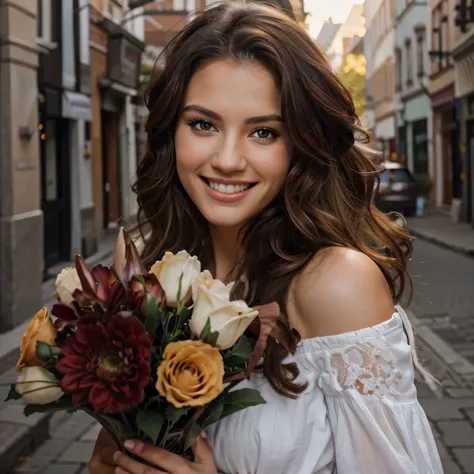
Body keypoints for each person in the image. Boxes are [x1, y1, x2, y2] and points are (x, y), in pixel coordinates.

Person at [89, 2, 443, 473]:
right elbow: (110, 452)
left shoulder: (336, 284)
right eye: (203, 124)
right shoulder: (144, 264)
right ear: (169, 131)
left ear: (301, 143)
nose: (229, 159)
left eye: (263, 132)